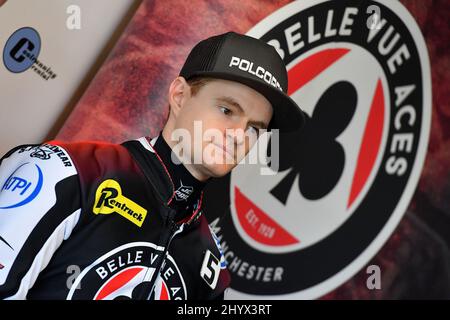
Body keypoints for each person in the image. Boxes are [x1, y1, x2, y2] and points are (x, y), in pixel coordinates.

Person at [0, 31, 305, 300]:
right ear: (180, 95)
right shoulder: (67, 173)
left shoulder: (211, 270)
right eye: (227, 110)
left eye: (254, 128)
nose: (239, 135)